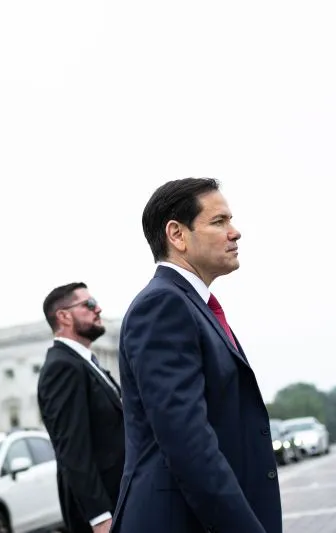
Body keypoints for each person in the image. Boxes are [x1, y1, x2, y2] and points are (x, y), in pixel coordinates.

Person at [111, 178, 282, 533]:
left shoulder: (191, 305)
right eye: (219, 222)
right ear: (177, 234)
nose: (235, 233)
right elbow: (188, 443)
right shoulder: (163, 306)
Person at [37, 283, 125, 533]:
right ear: (63, 316)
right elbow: (73, 451)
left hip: (121, 500)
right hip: (104, 515)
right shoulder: (62, 368)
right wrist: (100, 518)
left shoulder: (86, 362)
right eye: (88, 304)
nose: (98, 308)